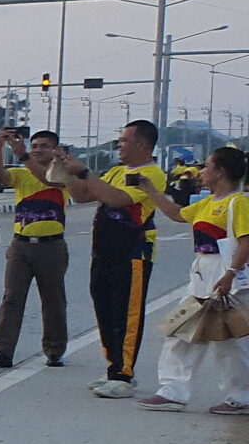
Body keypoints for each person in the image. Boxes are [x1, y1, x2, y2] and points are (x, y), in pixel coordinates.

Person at [138, 145, 249, 414]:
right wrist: (151, 191)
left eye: (207, 166)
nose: (202, 171)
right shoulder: (208, 202)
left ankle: (241, 396)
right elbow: (177, 214)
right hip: (202, 273)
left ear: (220, 171)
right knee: (182, 330)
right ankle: (172, 391)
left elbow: (245, 242)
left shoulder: (239, 202)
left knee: (228, 339)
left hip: (225, 274)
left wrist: (229, 274)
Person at [60, 119, 167, 398]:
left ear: (142, 144)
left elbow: (118, 199)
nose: (119, 145)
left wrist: (84, 171)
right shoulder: (116, 170)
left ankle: (125, 373)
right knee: (104, 310)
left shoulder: (151, 174)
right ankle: (112, 368)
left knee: (127, 314)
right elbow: (83, 195)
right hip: (104, 250)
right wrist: (68, 172)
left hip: (133, 252)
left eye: (124, 140)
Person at [0, 126, 71, 369]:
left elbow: (49, 179)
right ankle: (2, 349)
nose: (38, 150)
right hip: (21, 245)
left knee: (53, 299)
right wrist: (0, 146)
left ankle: (54, 349)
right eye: (34, 146)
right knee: (12, 297)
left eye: (43, 146)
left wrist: (23, 156)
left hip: (51, 246)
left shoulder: (62, 172)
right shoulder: (22, 174)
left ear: (55, 149)